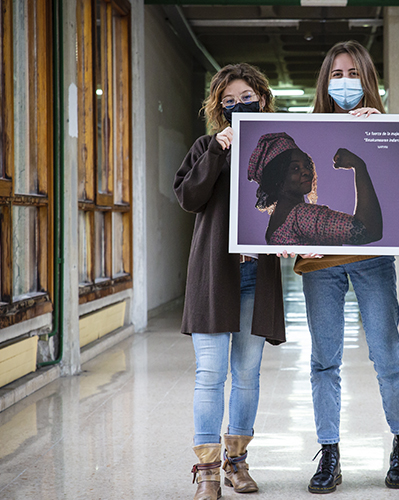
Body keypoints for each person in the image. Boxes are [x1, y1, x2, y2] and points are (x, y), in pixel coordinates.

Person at [293, 40, 399, 494]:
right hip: (320, 260)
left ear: (369, 80)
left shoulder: (389, 130)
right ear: (324, 81)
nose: (345, 83)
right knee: (324, 359)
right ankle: (329, 452)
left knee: (386, 353)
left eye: (353, 74)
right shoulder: (302, 133)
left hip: (371, 257)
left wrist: (381, 132)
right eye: (337, 74)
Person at [174, 63, 286, 500]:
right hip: (213, 275)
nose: (239, 105)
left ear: (263, 99)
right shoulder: (206, 147)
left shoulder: (277, 149)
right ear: (218, 108)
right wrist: (217, 152)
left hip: (257, 274)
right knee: (210, 373)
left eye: (247, 97)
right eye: (229, 100)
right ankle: (207, 471)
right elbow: (189, 197)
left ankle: (237, 462)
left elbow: (294, 201)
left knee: (246, 374)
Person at [247, 131, 382, 246]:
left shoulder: (276, 219)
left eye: (307, 165)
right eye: (295, 168)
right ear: (277, 178)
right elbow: (369, 230)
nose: (306, 171)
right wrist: (359, 165)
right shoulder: (300, 215)